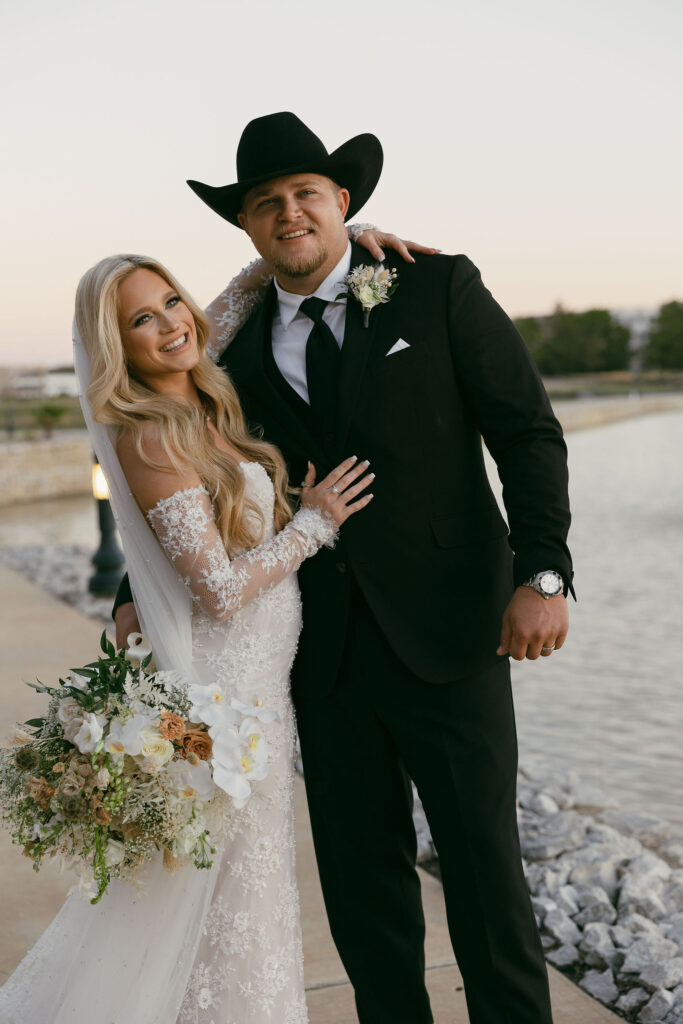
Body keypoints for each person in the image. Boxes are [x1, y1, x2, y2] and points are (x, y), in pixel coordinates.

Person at [114, 112, 574, 1024]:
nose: (289, 214)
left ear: (343, 202)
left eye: (305, 195)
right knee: (365, 901)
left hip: (453, 634)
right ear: (246, 227)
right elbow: (187, 487)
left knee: (486, 879)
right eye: (265, 204)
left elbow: (526, 431)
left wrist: (545, 573)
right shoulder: (224, 356)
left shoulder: (434, 285)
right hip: (315, 662)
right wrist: (137, 592)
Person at [0, 222, 421, 1024]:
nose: (170, 324)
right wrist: (315, 522)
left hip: (259, 687)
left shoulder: (193, 386)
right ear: (115, 344)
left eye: (169, 301)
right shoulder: (154, 432)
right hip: (224, 696)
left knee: (237, 890)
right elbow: (219, 593)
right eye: (141, 320)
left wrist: (339, 233)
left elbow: (236, 292)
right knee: (217, 892)